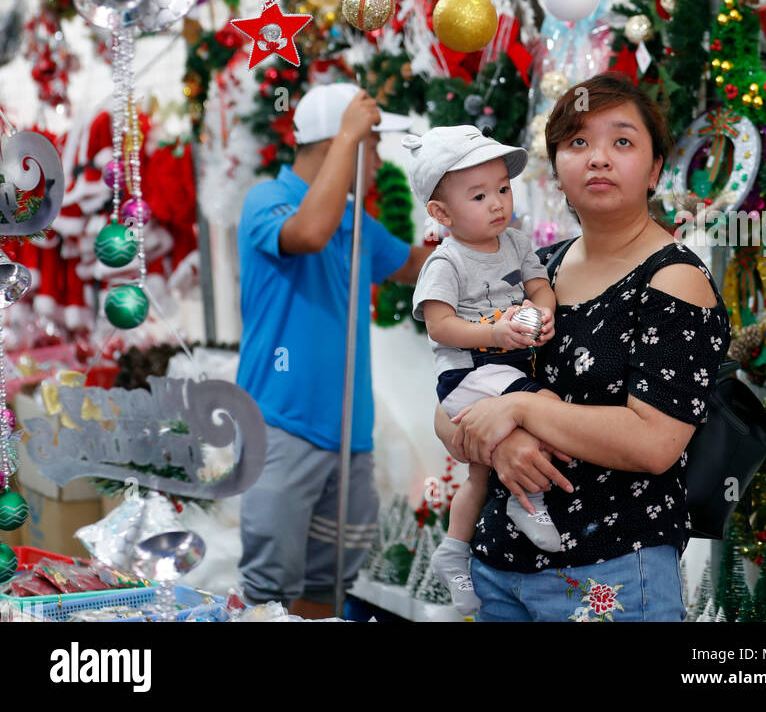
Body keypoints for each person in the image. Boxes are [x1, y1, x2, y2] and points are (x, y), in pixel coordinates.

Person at [436, 74, 731, 623]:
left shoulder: (673, 280)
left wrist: (522, 409)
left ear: (656, 170)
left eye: (622, 141)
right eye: (577, 142)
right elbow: (453, 398)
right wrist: (501, 443)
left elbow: (654, 443)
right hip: (499, 571)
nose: (598, 158)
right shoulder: (534, 270)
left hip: (610, 574)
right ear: (557, 168)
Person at [237, 83, 430, 619]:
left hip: (349, 435)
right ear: (336, 142)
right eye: (371, 141)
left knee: (329, 585)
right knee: (268, 587)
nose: (376, 160)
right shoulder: (266, 200)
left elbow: (410, 264)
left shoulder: (353, 220)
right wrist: (349, 138)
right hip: (281, 424)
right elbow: (309, 234)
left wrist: (478, 230)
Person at [405, 125, 558, 616]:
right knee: (548, 410)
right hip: (468, 372)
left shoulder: (515, 243)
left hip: (505, 366)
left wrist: (546, 310)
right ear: (441, 213)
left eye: (503, 189)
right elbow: (441, 326)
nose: (497, 203)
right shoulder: (445, 262)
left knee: (476, 475)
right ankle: (525, 500)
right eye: (479, 195)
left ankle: (452, 551)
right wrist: (494, 332)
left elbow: (537, 286)